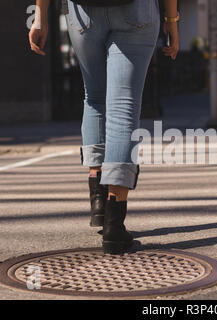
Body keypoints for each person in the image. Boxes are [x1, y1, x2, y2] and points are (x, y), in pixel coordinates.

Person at [29, 0, 179, 254]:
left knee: (94, 98)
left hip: (83, 13)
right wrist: (172, 21)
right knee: (124, 108)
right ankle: (114, 224)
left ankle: (98, 200)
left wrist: (40, 17)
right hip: (137, 11)